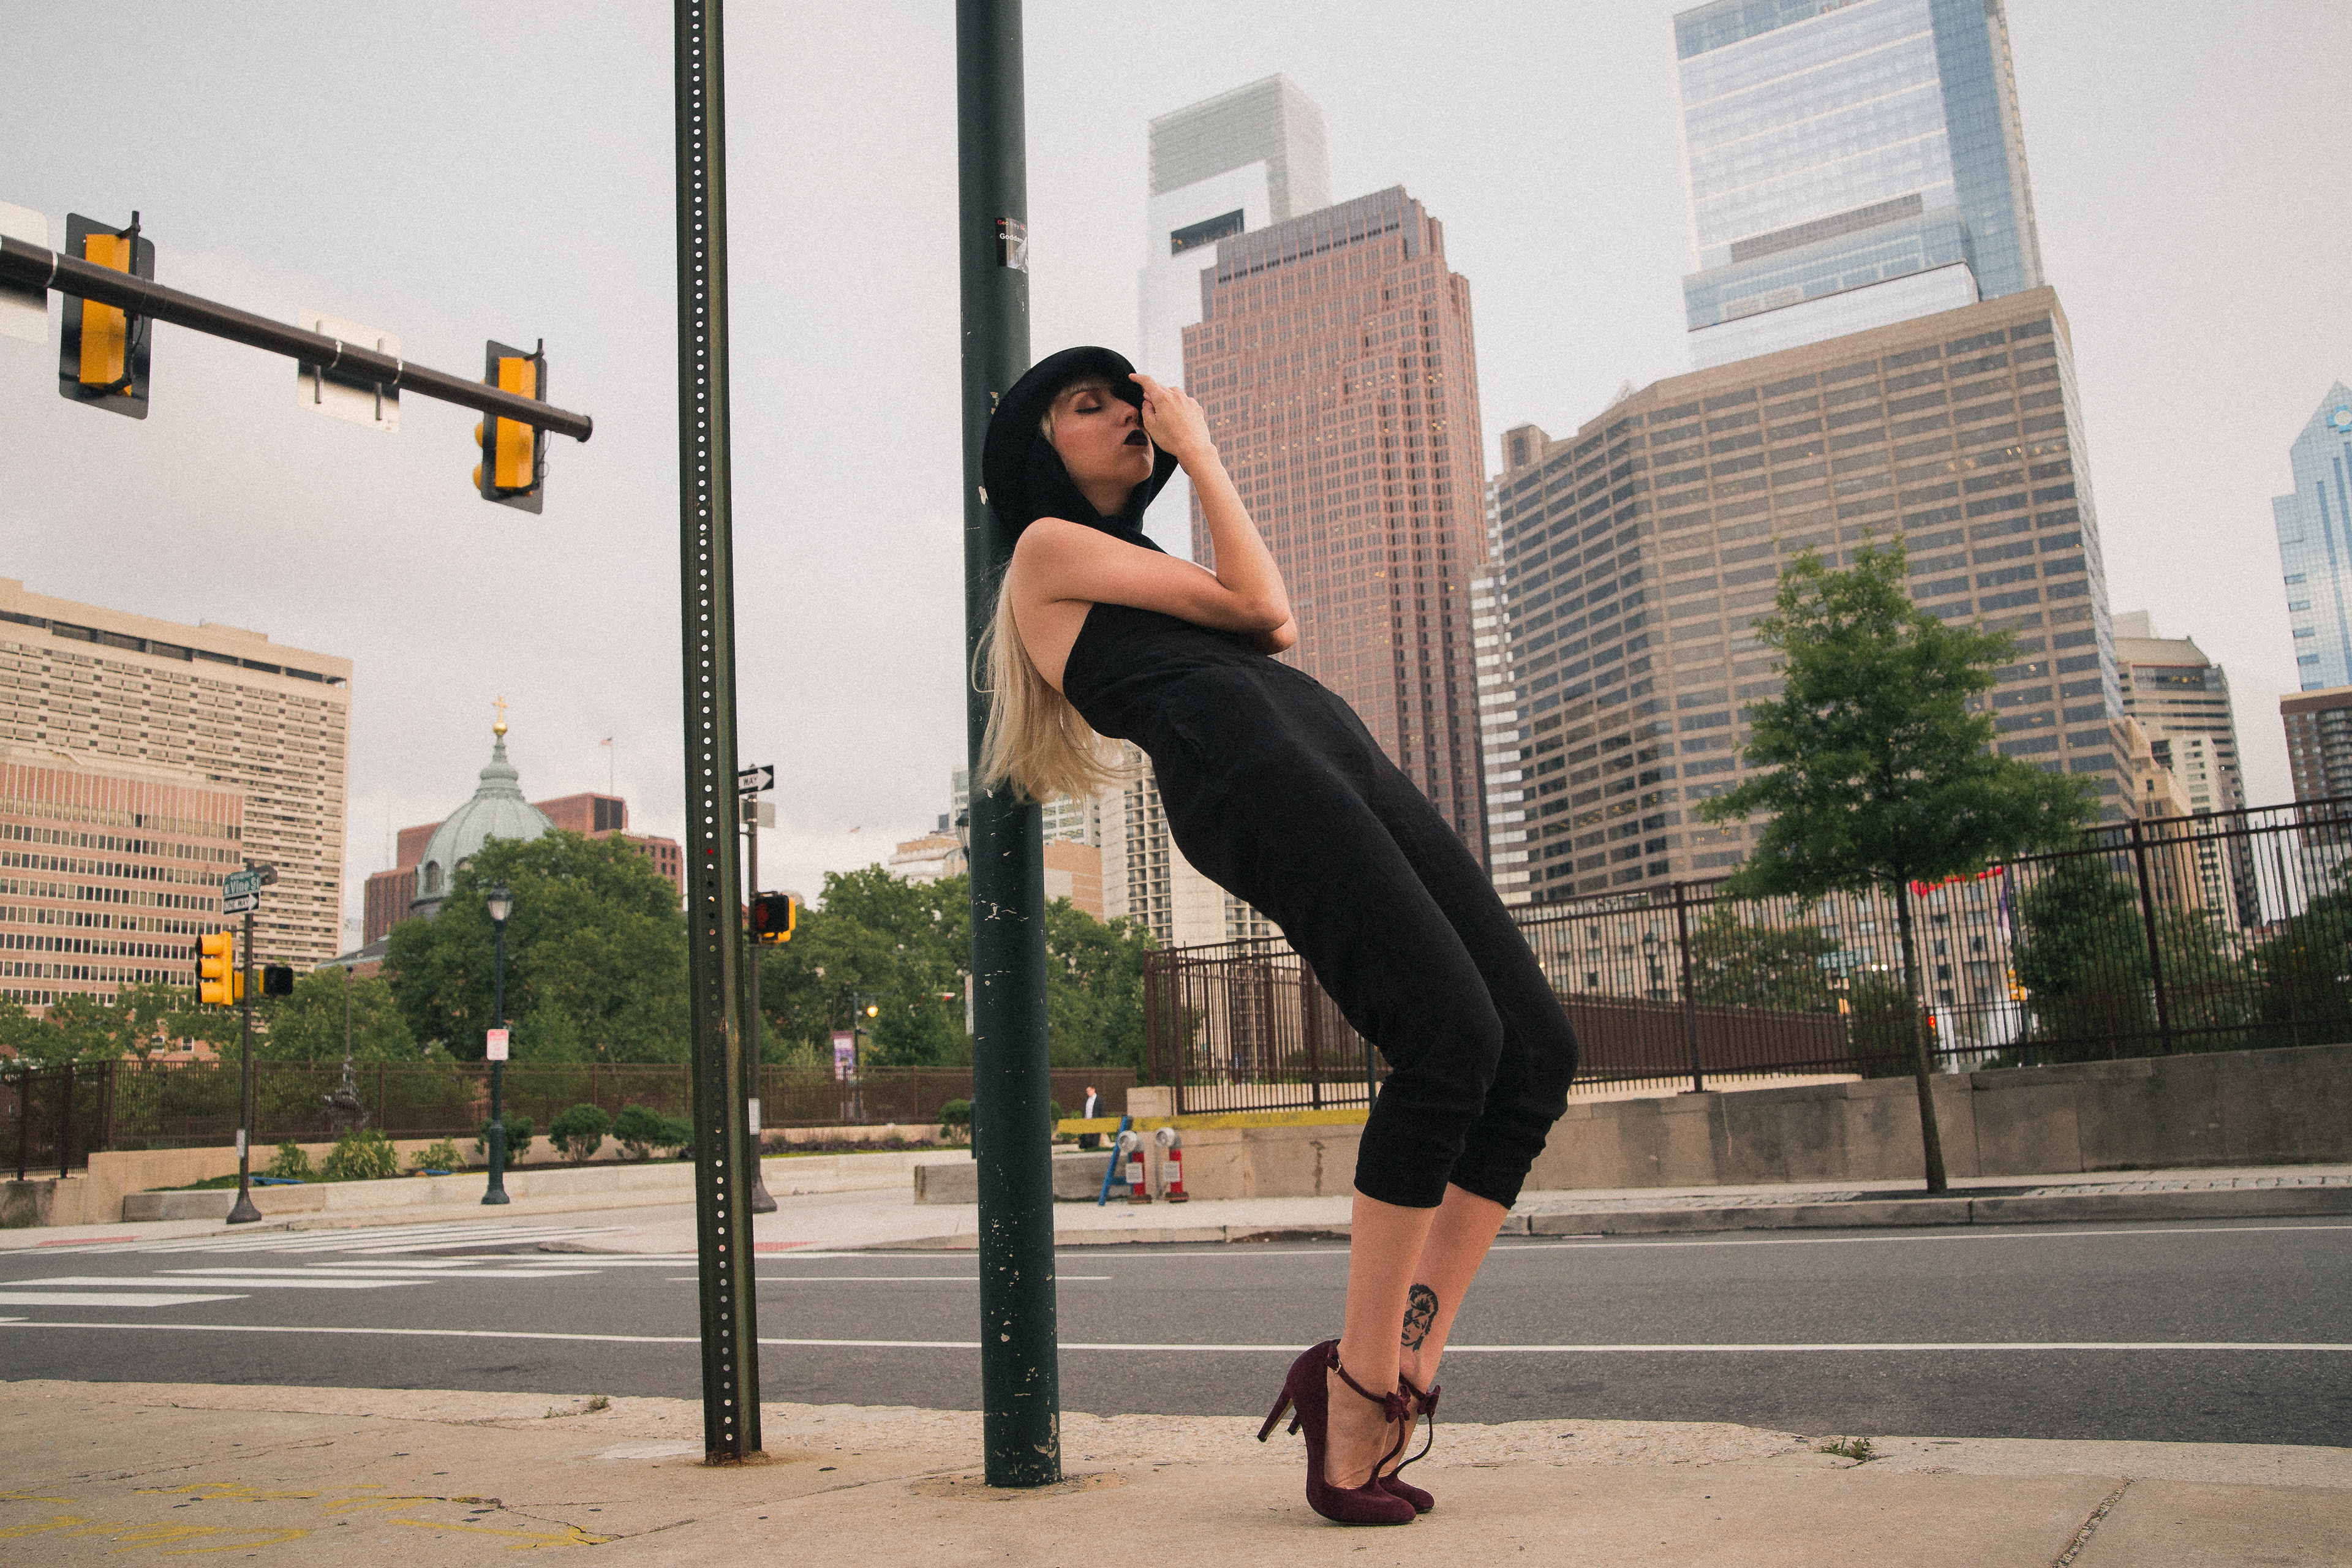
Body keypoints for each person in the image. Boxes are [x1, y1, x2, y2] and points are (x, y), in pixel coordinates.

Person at [976, 347, 1578, 1526]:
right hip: (1247, 765)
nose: (1126, 413)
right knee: (1449, 1038)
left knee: (1534, 1050)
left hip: (1327, 745)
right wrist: (1200, 447)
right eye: (1089, 406)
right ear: (1038, 451)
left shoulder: (1150, 569)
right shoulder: (1045, 551)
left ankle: (1406, 1360)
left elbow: (1271, 620)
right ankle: (1356, 1390)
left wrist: (1192, 462)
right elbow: (1265, 613)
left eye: (1130, 398)